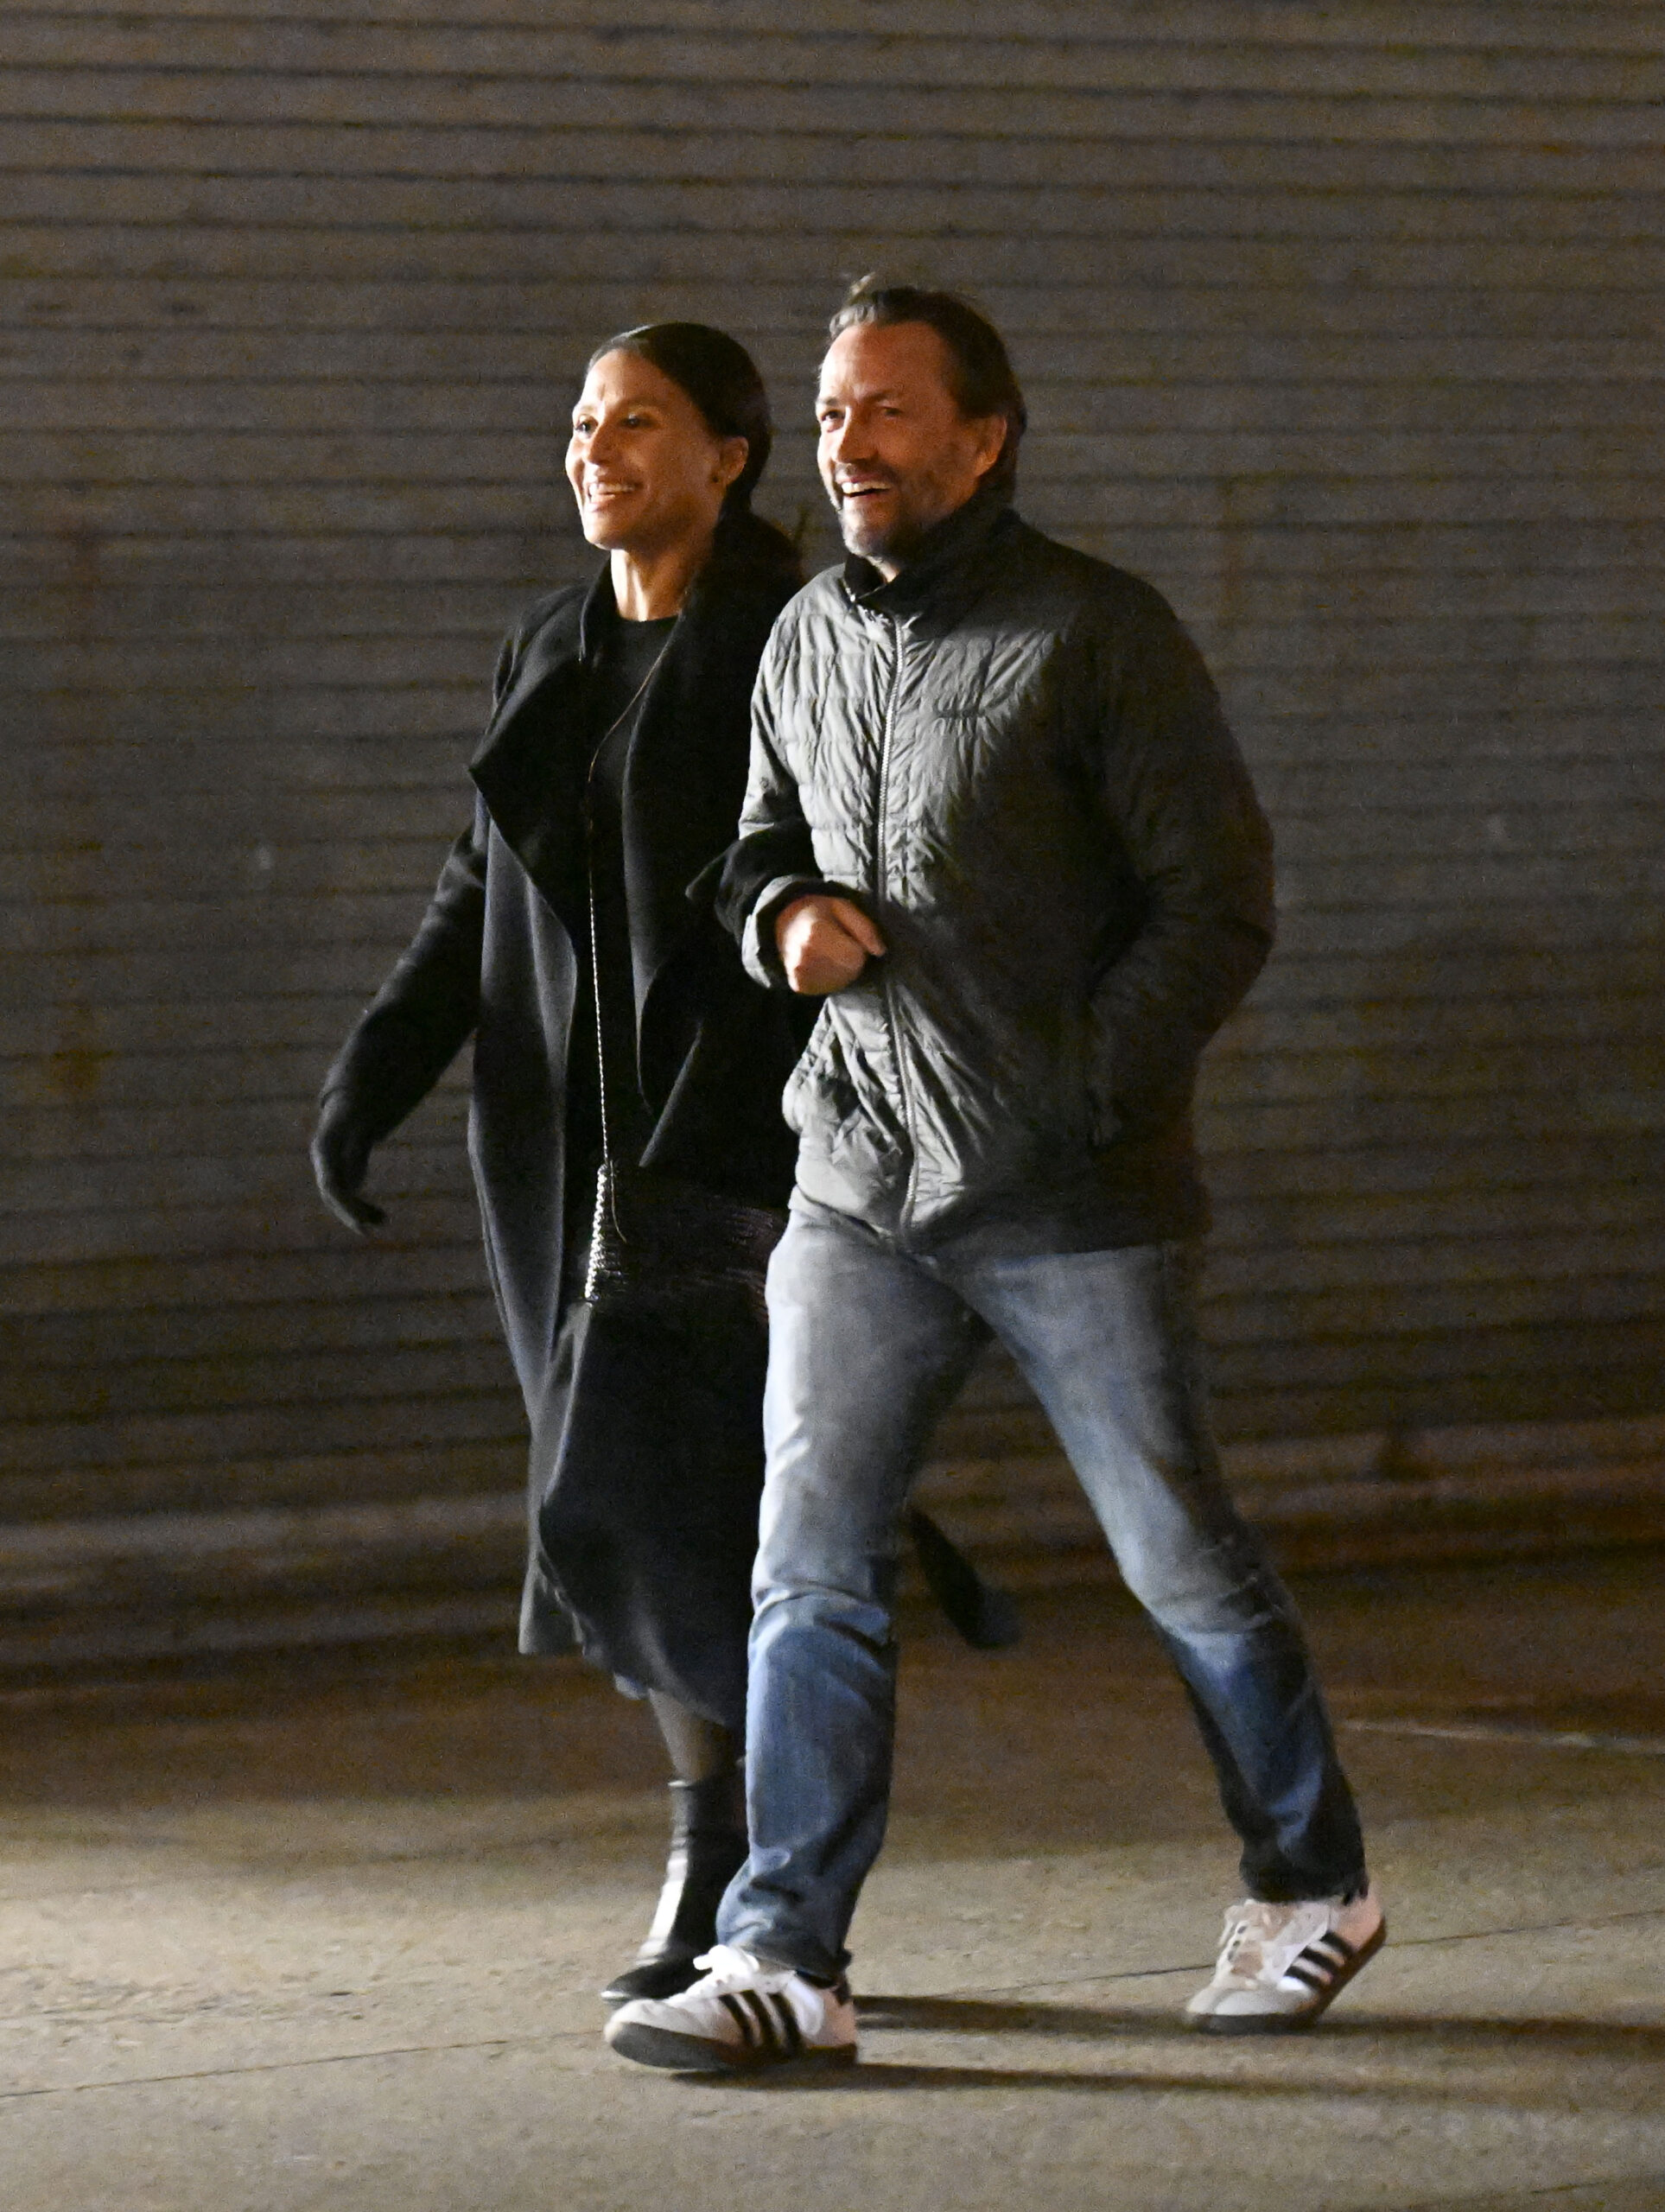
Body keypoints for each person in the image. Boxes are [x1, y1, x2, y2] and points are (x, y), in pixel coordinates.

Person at [606, 283, 1383, 2074]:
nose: (850, 446)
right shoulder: (802, 631)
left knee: (1177, 1549)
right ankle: (786, 1953)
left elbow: (1218, 906)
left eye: (887, 412)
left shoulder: (1095, 633)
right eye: (830, 413)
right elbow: (750, 850)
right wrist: (781, 914)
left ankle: (1311, 1878)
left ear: (982, 433)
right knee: (805, 1558)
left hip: (1068, 1191)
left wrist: (1077, 1098)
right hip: (858, 1177)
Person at [311, 324, 831, 2004]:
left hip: (723, 1140)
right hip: (556, 1148)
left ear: (730, 455)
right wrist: (373, 1073)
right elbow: (478, 888)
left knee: (690, 1496)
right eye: (583, 423)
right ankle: (727, 1837)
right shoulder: (552, 639)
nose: (595, 450)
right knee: (614, 1499)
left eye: (638, 424)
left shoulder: (781, 640)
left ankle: (745, 1868)